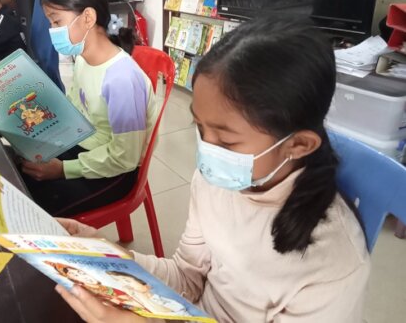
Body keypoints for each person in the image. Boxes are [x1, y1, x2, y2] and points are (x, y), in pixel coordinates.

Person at [52, 17, 371, 323]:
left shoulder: (333, 265)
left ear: (298, 145)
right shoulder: (214, 181)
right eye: (200, 128)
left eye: (227, 141)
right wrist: (109, 256)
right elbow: (187, 276)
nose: (207, 150)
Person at [19, 0, 157, 217]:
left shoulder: (122, 80)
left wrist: (63, 169)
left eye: (56, 22)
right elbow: (75, 108)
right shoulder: (83, 58)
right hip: (84, 146)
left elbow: (125, 158)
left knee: (31, 209)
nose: (52, 30)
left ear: (88, 17)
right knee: (18, 169)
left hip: (115, 172)